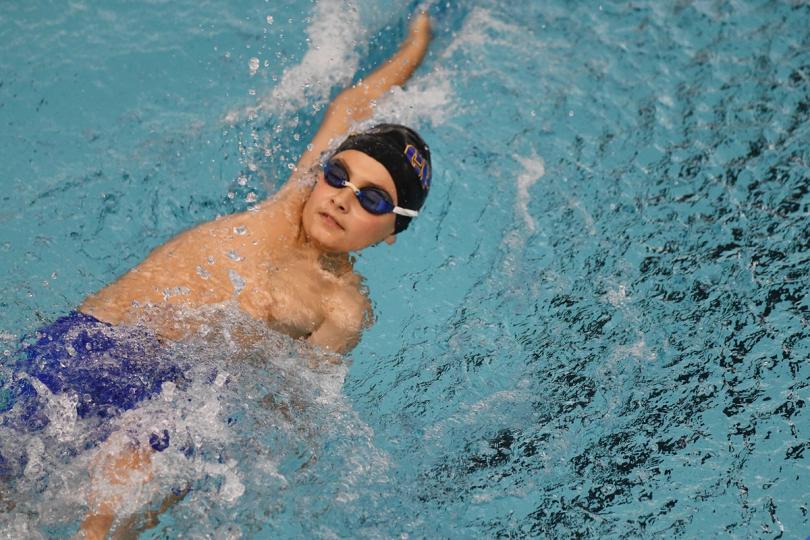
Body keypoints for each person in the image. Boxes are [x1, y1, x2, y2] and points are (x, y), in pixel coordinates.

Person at [5, 12, 432, 539]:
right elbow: (351, 105)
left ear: (393, 230)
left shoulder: (342, 310)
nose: (343, 197)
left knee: (110, 515)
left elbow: (296, 398)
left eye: (372, 198)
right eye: (338, 175)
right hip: (91, 340)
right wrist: (418, 43)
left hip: (175, 390)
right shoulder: (286, 205)